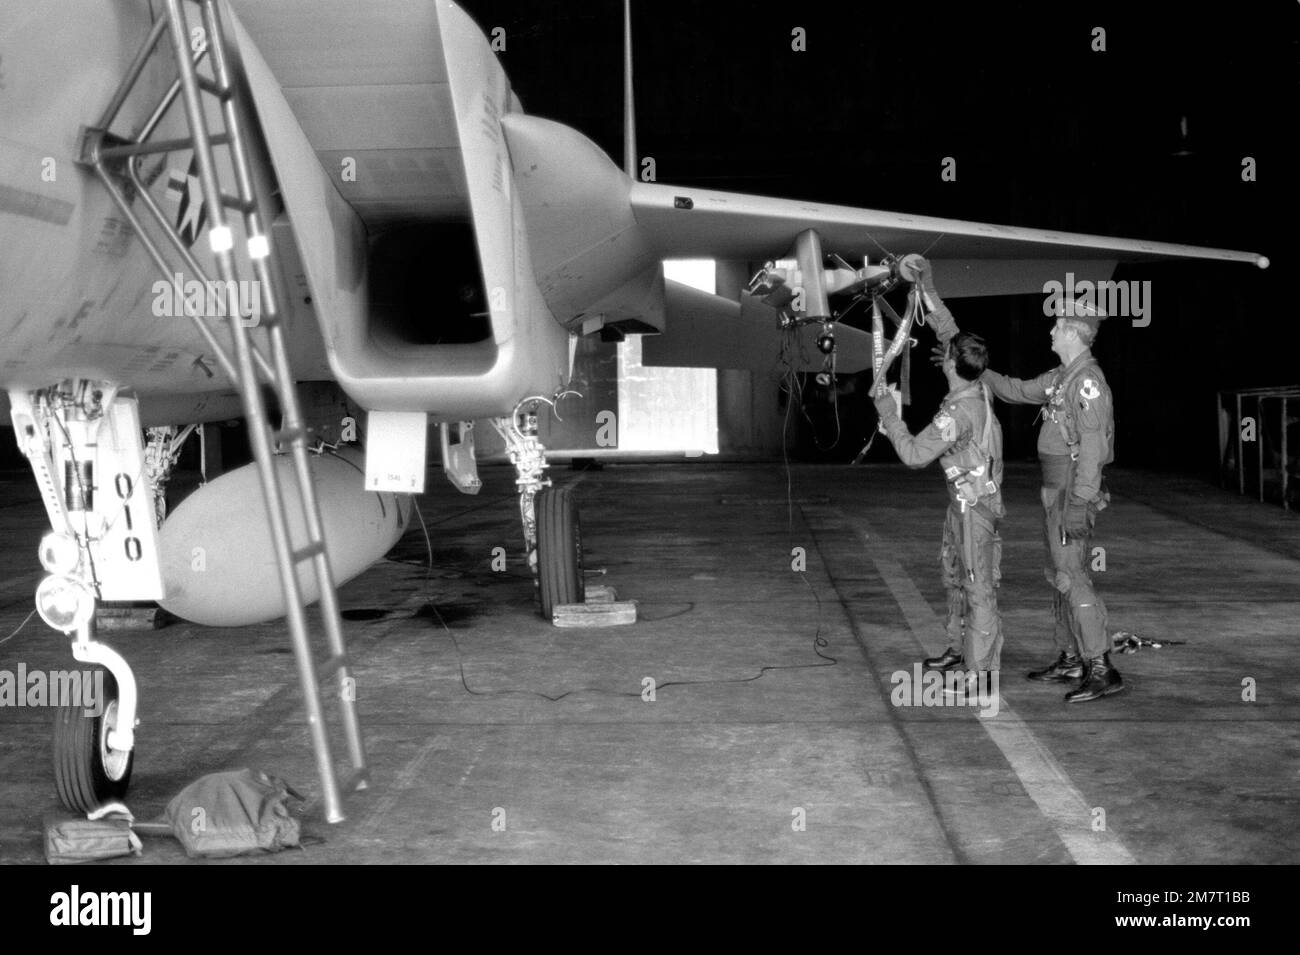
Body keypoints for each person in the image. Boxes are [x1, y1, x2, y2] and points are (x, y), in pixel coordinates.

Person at [872, 328, 1005, 694]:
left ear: (949, 362)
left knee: (977, 591)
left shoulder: (959, 411)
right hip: (964, 504)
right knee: (956, 579)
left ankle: (980, 677)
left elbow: (915, 455)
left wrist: (889, 413)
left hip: (974, 509)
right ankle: (962, 652)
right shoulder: (975, 391)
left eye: (946, 353)